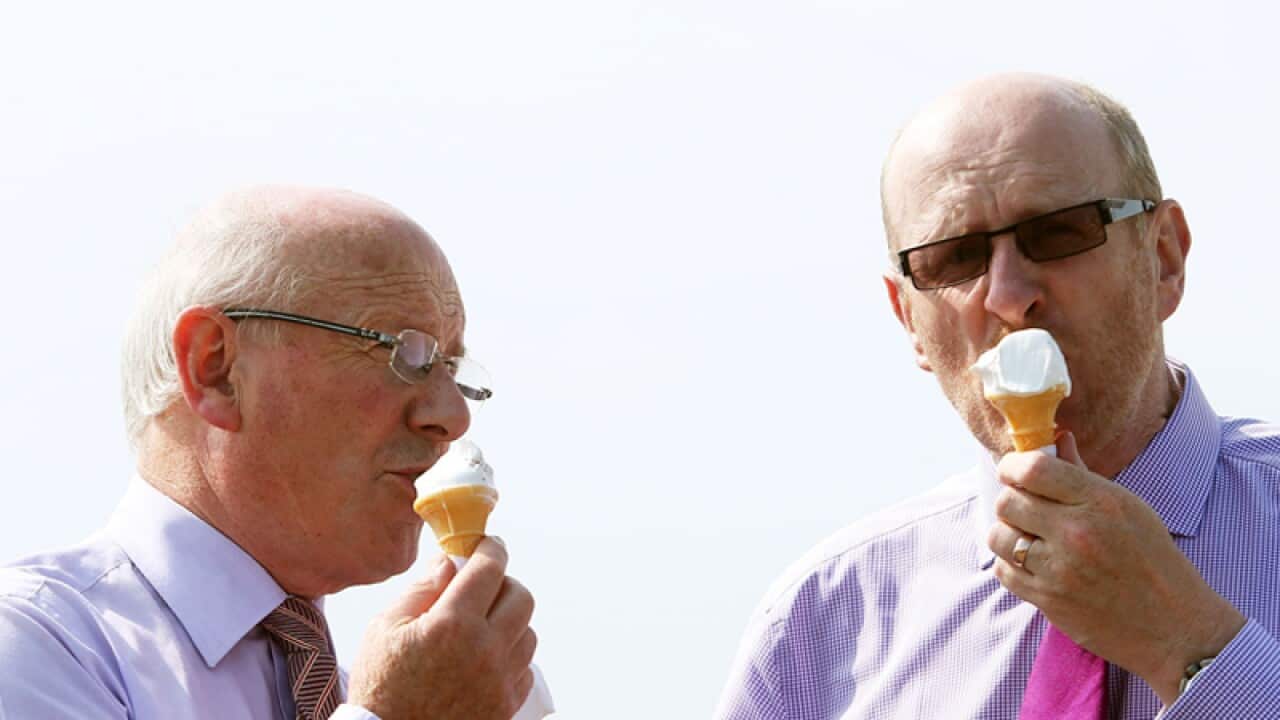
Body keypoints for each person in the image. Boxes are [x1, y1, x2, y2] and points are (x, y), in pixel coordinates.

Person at [715, 74, 1280, 719]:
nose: (1009, 297)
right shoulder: (818, 630)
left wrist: (1187, 645)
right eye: (953, 258)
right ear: (908, 319)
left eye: (1059, 232)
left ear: (1164, 258)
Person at [0, 187, 538, 719]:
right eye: (404, 353)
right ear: (216, 369)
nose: (452, 416)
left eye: (450, 367)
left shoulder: (360, 693)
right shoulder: (38, 645)